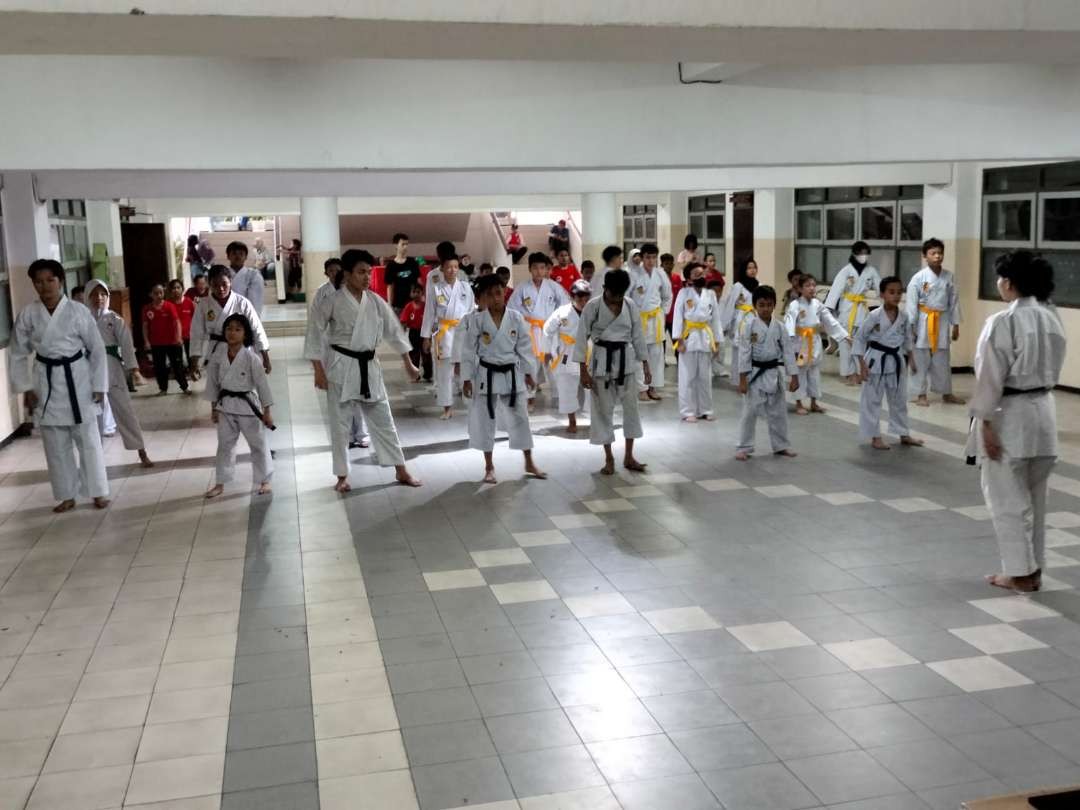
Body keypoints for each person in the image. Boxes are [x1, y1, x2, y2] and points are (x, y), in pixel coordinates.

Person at [967, 251, 1066, 593]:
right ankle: (1034, 569)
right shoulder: (1052, 318)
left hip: (1011, 415)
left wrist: (985, 422)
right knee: (1037, 502)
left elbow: (989, 379)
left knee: (1007, 500)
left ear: (1008, 282)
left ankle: (1019, 573)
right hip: (1045, 414)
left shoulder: (1002, 322)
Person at [304, 249, 422, 491]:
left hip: (369, 366)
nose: (367, 277)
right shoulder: (332, 301)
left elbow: (394, 331)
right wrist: (318, 369)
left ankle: (400, 469)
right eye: (361, 272)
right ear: (347, 274)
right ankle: (342, 476)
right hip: (341, 365)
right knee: (340, 424)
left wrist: (408, 363)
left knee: (384, 419)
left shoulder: (376, 301)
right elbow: (315, 332)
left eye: (369, 272)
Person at [10, 259, 110, 511]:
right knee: (55, 444)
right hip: (46, 380)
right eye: (38, 282)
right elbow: (18, 353)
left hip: (78, 379)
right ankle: (66, 494)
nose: (44, 287)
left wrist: (99, 384)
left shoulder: (78, 311)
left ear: (61, 281)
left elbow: (96, 348)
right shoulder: (28, 314)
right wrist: (26, 388)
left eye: (50, 281)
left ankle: (98, 491)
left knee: (88, 439)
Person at [460, 274, 547, 484]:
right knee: (485, 421)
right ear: (484, 298)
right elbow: (468, 350)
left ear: (504, 293)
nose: (495, 298)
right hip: (486, 375)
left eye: (498, 293)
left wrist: (529, 373)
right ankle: (489, 466)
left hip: (511, 373)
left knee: (521, 418)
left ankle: (529, 461)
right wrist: (466, 378)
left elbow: (525, 348)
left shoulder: (516, 318)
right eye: (489, 295)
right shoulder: (477, 320)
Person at [574, 268, 649, 475]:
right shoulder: (593, 306)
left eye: (621, 294)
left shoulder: (630, 305)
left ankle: (629, 456)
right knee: (602, 412)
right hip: (601, 362)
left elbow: (638, 336)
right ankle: (608, 458)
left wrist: (646, 364)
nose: (617, 298)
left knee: (632, 410)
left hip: (626, 361)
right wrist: (583, 371)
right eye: (613, 293)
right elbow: (581, 338)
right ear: (605, 288)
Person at [204, 313, 274, 499]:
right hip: (225, 405)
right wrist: (213, 408)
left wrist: (267, 411)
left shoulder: (252, 358)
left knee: (258, 444)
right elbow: (212, 383)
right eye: (229, 328)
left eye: (237, 329)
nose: (232, 333)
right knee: (224, 445)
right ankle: (220, 483)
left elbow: (262, 386)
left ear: (245, 334)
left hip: (248, 406)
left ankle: (264, 480)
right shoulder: (218, 356)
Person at [85, 280, 153, 468]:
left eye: (103, 294)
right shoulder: (83, 319)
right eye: (94, 294)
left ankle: (141, 451)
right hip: (90, 370)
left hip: (112, 368)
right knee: (93, 414)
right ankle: (94, 457)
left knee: (125, 411)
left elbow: (127, 346)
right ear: (87, 297)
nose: (99, 298)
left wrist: (134, 370)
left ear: (107, 297)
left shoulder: (114, 319)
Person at [853, 276, 924, 450]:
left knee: (899, 399)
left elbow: (907, 340)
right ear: (882, 294)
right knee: (872, 400)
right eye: (891, 292)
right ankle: (875, 436)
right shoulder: (874, 315)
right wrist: (861, 366)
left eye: (899, 292)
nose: (896, 295)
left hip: (896, 360)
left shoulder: (904, 316)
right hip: (875, 360)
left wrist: (912, 360)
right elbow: (860, 339)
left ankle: (903, 433)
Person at [311, 258, 370, 449]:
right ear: (326, 272)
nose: (335, 273)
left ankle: (361, 433)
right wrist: (318, 364)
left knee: (359, 393)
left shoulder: (356, 291)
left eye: (338, 270)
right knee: (340, 395)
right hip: (332, 348)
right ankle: (346, 434)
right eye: (331, 270)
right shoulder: (323, 293)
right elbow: (316, 323)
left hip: (356, 349)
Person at [736, 285, 799, 462]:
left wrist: (793, 376)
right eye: (762, 305)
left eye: (769, 305)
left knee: (778, 412)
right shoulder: (748, 325)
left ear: (774, 305)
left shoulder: (779, 327)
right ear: (755, 305)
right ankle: (744, 446)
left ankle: (781, 445)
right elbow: (744, 353)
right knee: (749, 412)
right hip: (754, 374)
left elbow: (788, 352)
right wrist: (742, 379)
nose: (765, 309)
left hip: (773, 372)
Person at [507, 252, 570, 409]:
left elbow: (564, 306)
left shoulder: (554, 287)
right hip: (530, 330)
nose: (539, 271)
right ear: (530, 269)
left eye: (542, 268)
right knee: (531, 364)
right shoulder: (522, 288)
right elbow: (512, 308)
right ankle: (530, 397)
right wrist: (522, 322)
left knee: (553, 363)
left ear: (547, 269)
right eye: (535, 268)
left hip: (549, 330)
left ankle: (559, 395)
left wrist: (560, 325)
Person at [907, 238, 964, 406]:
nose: (937, 256)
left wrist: (956, 326)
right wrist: (912, 326)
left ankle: (946, 393)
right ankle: (920, 394)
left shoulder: (949, 276)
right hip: (923, 321)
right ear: (925, 256)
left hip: (942, 319)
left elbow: (954, 301)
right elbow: (911, 304)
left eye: (940, 253)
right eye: (933, 253)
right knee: (920, 358)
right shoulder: (918, 278)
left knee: (942, 359)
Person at [421, 251, 474, 419]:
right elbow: (429, 312)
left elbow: (472, 310)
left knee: (466, 369)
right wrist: (426, 337)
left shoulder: (466, 287)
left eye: (455, 267)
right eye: (449, 267)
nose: (452, 270)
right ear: (442, 269)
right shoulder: (436, 289)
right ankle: (447, 408)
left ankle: (471, 404)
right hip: (444, 333)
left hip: (463, 332)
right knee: (444, 373)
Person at [786, 273, 849, 415]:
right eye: (807, 285)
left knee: (814, 374)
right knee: (800, 373)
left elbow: (830, 321)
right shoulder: (795, 305)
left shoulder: (817, 304)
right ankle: (799, 403)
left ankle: (814, 402)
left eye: (814, 285)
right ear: (800, 288)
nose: (812, 288)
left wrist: (844, 335)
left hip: (814, 341)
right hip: (800, 342)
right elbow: (789, 324)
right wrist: (789, 343)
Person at [189, 265, 270, 375]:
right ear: (209, 284)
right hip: (215, 352)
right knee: (218, 387)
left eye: (224, 284)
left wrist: (265, 356)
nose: (221, 289)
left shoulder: (242, 302)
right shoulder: (203, 305)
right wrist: (194, 362)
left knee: (243, 386)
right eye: (215, 285)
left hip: (241, 350)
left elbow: (256, 329)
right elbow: (197, 333)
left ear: (230, 281)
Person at [673, 262, 724, 422]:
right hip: (688, 337)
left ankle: (705, 409)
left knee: (704, 377)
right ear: (689, 278)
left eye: (702, 274)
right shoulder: (683, 293)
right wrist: (678, 339)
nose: (701, 277)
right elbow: (677, 316)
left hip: (705, 337)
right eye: (696, 274)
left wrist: (717, 341)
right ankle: (688, 411)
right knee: (687, 377)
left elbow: (715, 319)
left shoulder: (710, 295)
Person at [825, 242, 882, 384]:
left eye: (866, 253)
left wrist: (885, 301)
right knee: (846, 342)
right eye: (861, 253)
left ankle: (860, 371)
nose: (863, 256)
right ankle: (848, 373)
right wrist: (829, 309)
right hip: (847, 308)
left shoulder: (871, 271)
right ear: (855, 253)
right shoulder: (846, 271)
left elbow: (881, 288)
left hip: (862, 309)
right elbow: (836, 290)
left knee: (861, 342)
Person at [543, 279, 591, 433]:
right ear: (572, 297)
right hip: (567, 353)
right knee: (567, 388)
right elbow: (547, 330)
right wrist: (547, 351)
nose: (583, 302)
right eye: (579, 298)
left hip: (589, 352)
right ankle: (572, 421)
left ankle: (595, 418)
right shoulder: (562, 312)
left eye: (586, 298)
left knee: (594, 388)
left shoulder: (594, 311)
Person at [628, 243, 673, 402]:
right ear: (642, 257)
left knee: (656, 354)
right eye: (648, 257)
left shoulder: (660, 274)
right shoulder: (633, 274)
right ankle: (642, 389)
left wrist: (663, 312)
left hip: (656, 319)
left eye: (654, 257)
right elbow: (627, 297)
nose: (651, 260)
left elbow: (668, 296)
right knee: (640, 354)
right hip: (639, 318)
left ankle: (652, 387)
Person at [142, 284, 190, 395]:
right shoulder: (147, 309)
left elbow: (176, 322)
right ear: (151, 295)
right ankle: (163, 389)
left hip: (172, 342)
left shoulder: (169, 306)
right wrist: (146, 341)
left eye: (161, 293)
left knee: (177, 366)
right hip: (156, 343)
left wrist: (178, 337)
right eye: (156, 293)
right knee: (160, 367)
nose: (159, 295)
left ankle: (184, 387)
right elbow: (145, 326)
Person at [720, 258, 760, 372]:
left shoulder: (759, 285)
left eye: (754, 268)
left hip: (755, 319)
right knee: (739, 350)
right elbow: (730, 305)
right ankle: (739, 379)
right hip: (741, 320)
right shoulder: (738, 286)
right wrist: (725, 325)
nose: (752, 270)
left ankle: (752, 376)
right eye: (749, 268)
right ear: (744, 270)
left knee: (754, 348)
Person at [400, 282, 432, 383]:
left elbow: (429, 320)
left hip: (424, 333)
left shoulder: (426, 306)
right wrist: (402, 331)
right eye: (414, 292)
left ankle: (428, 374)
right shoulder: (408, 307)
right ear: (410, 294)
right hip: (413, 333)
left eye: (418, 292)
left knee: (426, 354)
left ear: (422, 293)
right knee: (414, 355)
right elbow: (404, 321)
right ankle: (415, 375)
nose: (416, 294)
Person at [228, 241, 265, 316]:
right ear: (228, 256)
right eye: (234, 253)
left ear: (246, 257)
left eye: (241, 254)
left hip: (246, 317)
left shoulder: (253, 275)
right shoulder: (222, 274)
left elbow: (256, 300)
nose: (237, 256)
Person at [167, 279, 197, 368]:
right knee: (177, 358)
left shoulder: (189, 302)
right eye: (173, 288)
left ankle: (192, 370)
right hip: (174, 336)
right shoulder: (168, 304)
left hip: (189, 335)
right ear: (170, 290)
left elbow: (195, 318)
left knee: (190, 355)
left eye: (178, 287)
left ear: (182, 289)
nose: (176, 290)